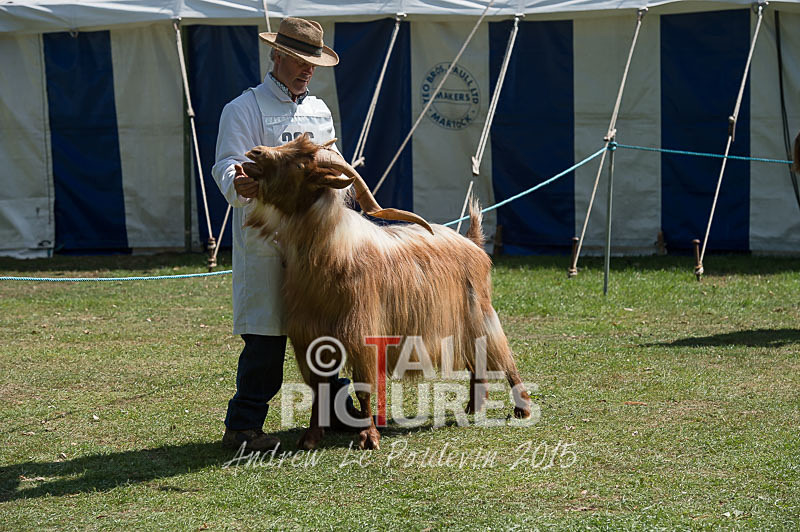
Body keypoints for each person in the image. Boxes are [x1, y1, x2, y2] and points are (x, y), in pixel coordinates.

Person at [212, 17, 347, 452]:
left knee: (325, 329)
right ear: (278, 55)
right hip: (265, 243)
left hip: (315, 246)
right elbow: (226, 165)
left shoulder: (320, 111)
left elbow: (330, 165)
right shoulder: (243, 108)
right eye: (300, 60)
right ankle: (244, 424)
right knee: (266, 339)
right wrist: (240, 183)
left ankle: (338, 410)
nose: (307, 69)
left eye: (313, 62)